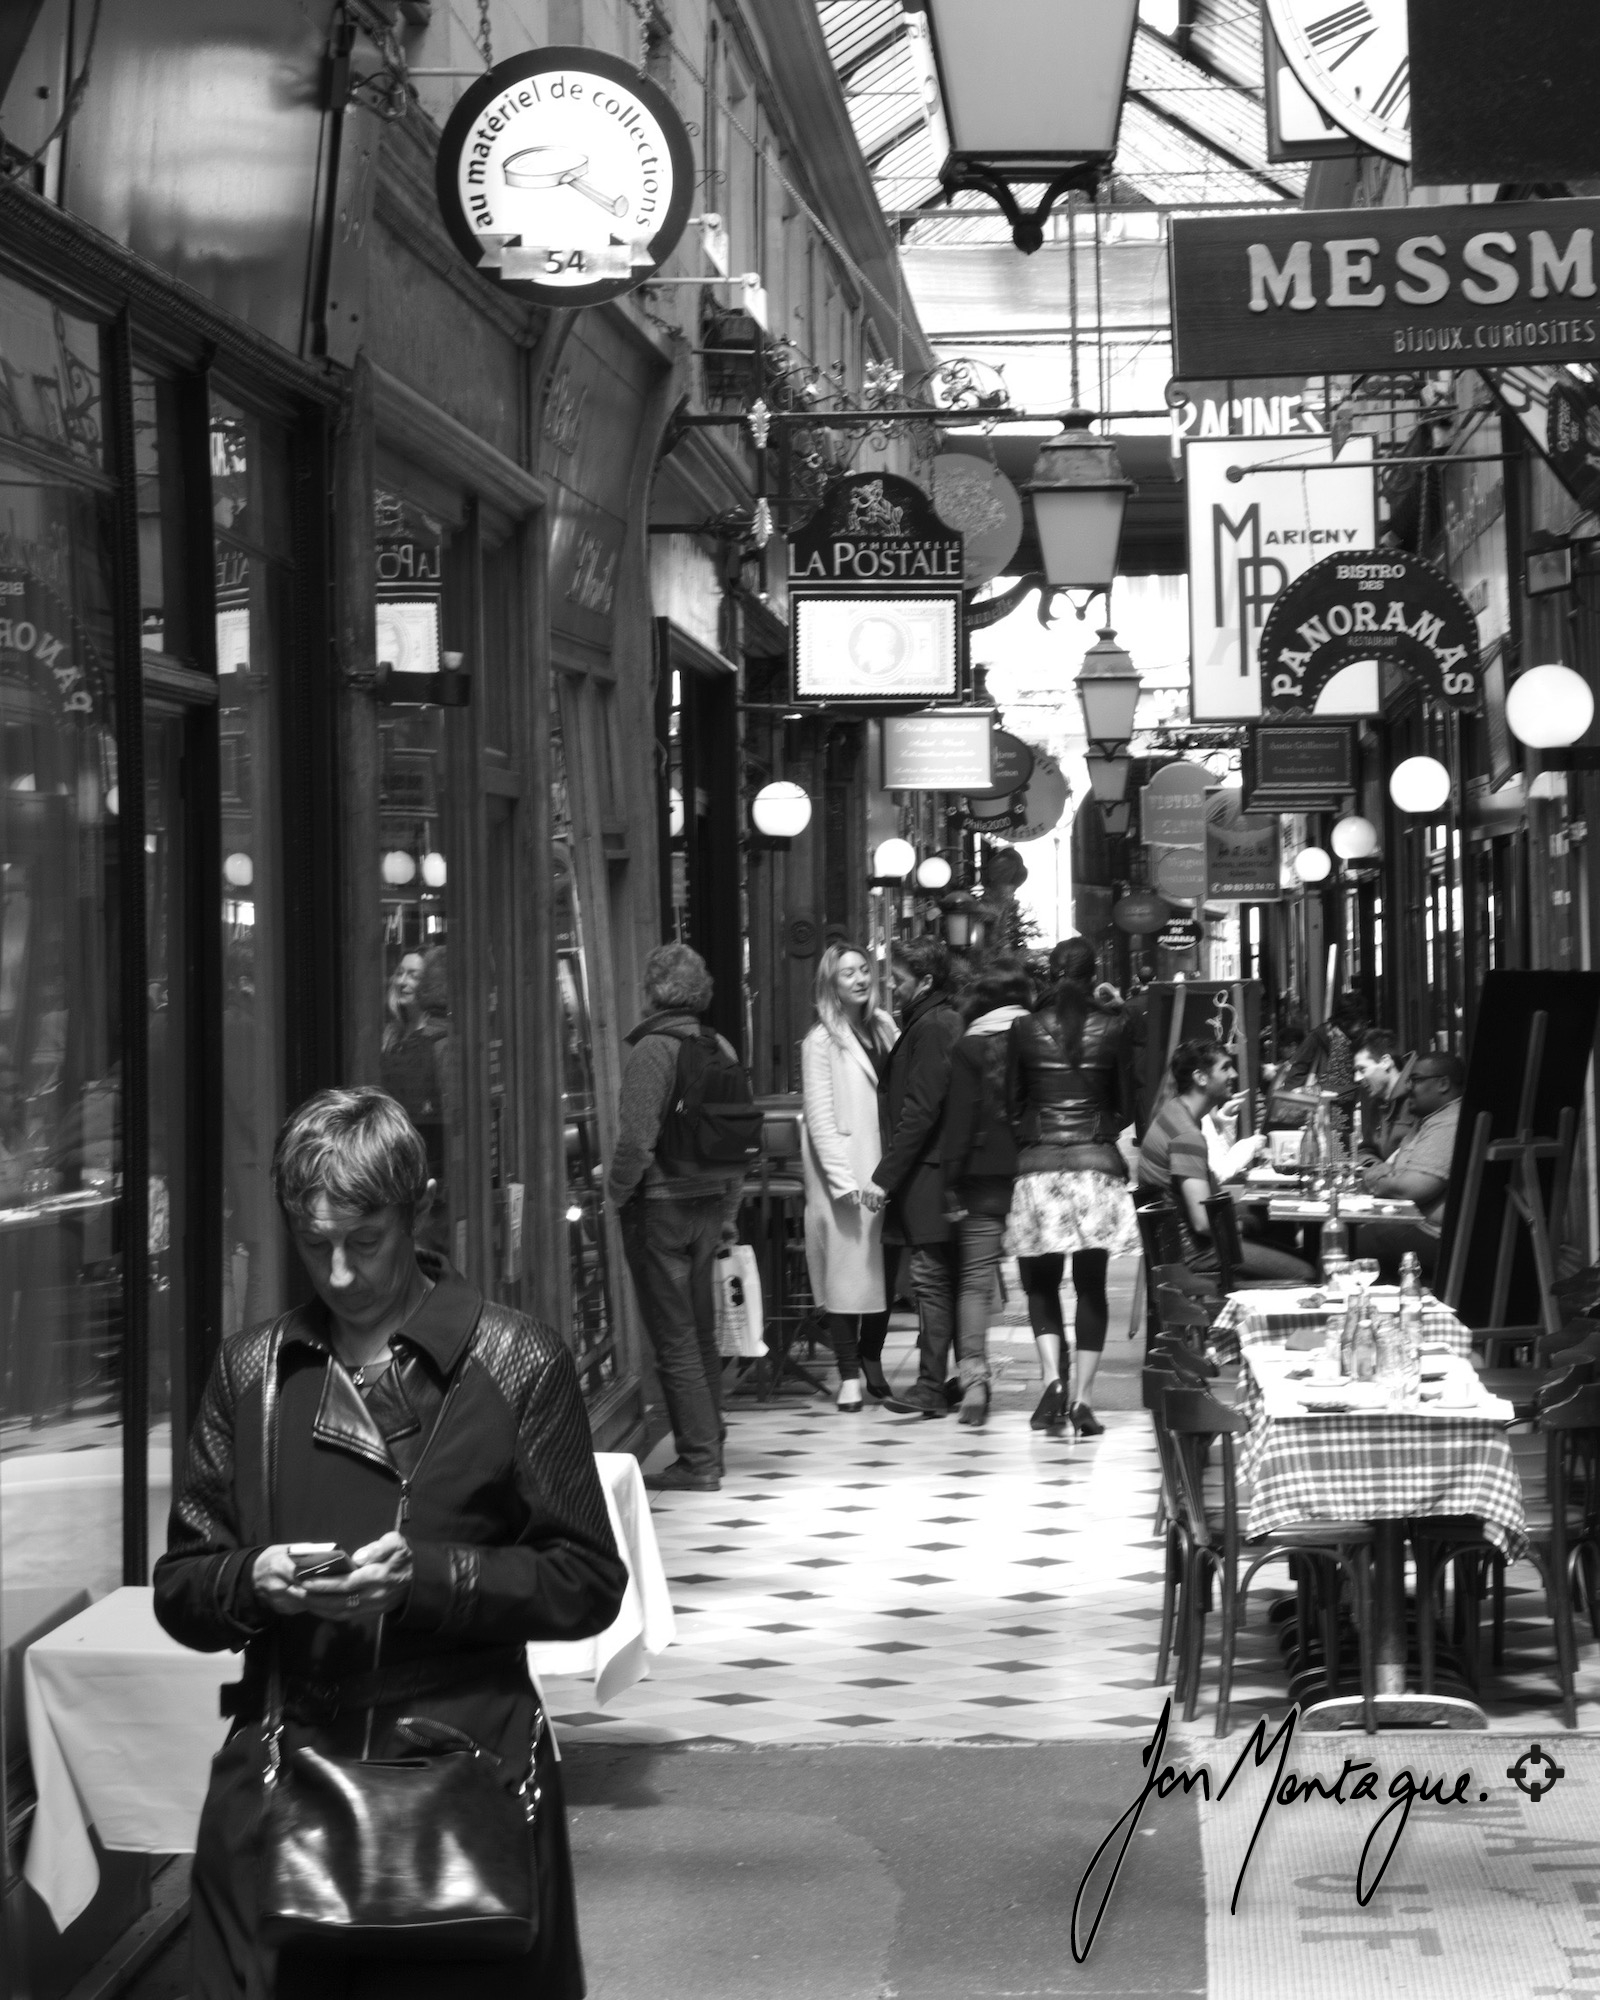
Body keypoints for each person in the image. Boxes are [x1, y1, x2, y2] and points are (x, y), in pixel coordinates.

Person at [154, 1088, 627, 2000]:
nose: (336, 1272)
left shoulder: (518, 1361)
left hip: (464, 1781)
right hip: (286, 1775)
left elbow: (589, 1582)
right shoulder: (253, 1370)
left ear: (416, 1212)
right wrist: (252, 1579)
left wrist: (429, 1579)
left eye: (362, 1242)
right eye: (312, 1240)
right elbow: (180, 1586)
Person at [607, 942, 745, 1493]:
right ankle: (711, 1440)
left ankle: (699, 1459)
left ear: (652, 990)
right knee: (702, 1333)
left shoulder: (652, 1050)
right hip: (710, 1204)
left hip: (660, 1207)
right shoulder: (721, 1047)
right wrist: (730, 1210)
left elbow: (637, 1140)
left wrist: (616, 1194)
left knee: (675, 1337)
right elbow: (738, 1139)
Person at [1005, 937, 1141, 1437]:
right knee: (1091, 1286)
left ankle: (1051, 1381)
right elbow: (1128, 1103)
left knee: (1039, 1283)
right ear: (1093, 973)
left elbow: (1011, 1104)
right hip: (1095, 1168)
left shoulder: (1023, 1027)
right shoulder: (1114, 1027)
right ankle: (1083, 1398)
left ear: (1049, 973)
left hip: (1037, 1165)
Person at [799, 944, 899, 1411]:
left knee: (885, 1270)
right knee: (847, 1274)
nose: (859, 979)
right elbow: (819, 1118)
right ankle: (848, 1375)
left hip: (889, 1163)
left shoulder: (884, 1027)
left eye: (864, 970)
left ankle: (871, 1357)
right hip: (850, 1167)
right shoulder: (821, 1041)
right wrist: (844, 1183)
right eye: (847, 974)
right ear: (831, 985)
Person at [873, 936, 966, 1418]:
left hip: (929, 1173)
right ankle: (943, 1380)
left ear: (926, 981)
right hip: (933, 1171)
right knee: (940, 1279)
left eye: (900, 977)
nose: (891, 983)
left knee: (931, 1279)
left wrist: (883, 1177)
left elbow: (920, 1110)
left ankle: (931, 1385)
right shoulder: (934, 1020)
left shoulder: (932, 1025)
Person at [939, 957, 1033, 1428]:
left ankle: (974, 1380)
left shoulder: (968, 1046)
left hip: (981, 1173)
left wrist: (949, 1180)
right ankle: (1058, 1379)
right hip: (1035, 1169)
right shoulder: (1041, 1035)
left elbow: (958, 1121)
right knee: (1040, 1278)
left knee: (974, 1281)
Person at [1138, 1038, 1312, 1285]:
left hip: (1184, 1246)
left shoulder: (1173, 1112)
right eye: (1225, 1067)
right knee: (1306, 1273)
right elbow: (1202, 1223)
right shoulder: (1187, 1135)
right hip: (1198, 1254)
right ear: (1200, 1077)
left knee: (1268, 1223)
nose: (1234, 1073)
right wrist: (1241, 1226)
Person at [1357, 1051, 1464, 1277]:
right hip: (1412, 1225)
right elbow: (1390, 1170)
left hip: (1436, 1238)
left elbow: (1409, 1189)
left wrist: (1372, 1179)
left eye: (1415, 1080)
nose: (1407, 1088)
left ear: (1443, 1083)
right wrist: (1386, 1177)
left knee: (1343, 1241)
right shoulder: (1426, 1121)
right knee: (1342, 1233)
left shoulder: (1449, 1123)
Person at [1353, 1029, 1416, 1162]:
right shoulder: (1377, 1102)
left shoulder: (1417, 1097)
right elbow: (1366, 1149)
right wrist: (1377, 1170)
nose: (1357, 1078)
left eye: (1362, 1069)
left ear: (1385, 1062)